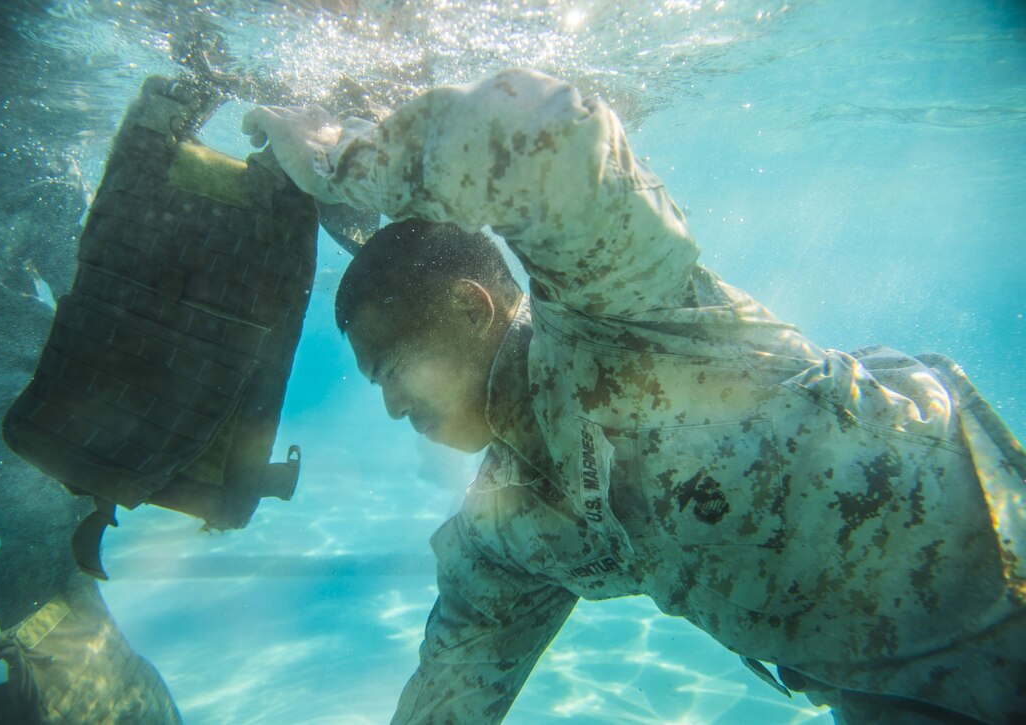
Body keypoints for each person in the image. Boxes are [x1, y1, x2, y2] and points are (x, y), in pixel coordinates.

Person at [242, 69, 1026, 724]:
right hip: (884, 688)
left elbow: (543, 137)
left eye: (390, 371)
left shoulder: (614, 314)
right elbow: (453, 683)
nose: (388, 408)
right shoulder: (506, 532)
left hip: (999, 543)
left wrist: (334, 160)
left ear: (469, 309)